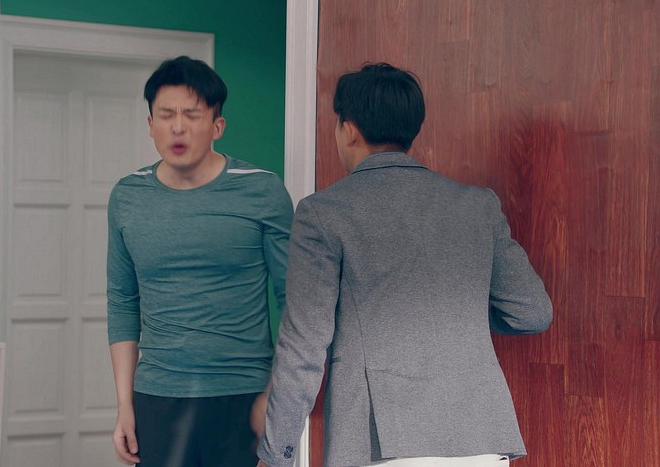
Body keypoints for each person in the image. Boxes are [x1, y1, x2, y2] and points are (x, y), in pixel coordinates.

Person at [257, 63, 553, 467]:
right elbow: (532, 312)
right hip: (481, 439)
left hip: (383, 445)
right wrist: (453, 308)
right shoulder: (477, 205)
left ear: (349, 129)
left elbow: (303, 347)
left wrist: (276, 455)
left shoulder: (324, 213)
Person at [107, 55, 293, 466]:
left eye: (192, 115)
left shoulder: (262, 191)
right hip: (157, 396)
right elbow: (122, 301)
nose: (178, 127)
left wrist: (276, 395)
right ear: (150, 124)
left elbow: (294, 302)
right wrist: (124, 404)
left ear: (217, 126)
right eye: (166, 114)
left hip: (242, 396)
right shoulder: (127, 196)